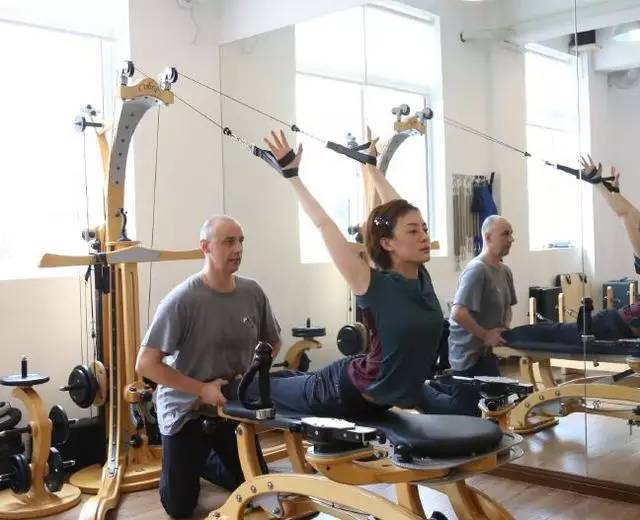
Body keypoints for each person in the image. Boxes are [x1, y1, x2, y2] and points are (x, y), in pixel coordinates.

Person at [243, 129, 479, 417]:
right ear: (387, 243)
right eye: (413, 231)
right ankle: (222, 384)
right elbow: (324, 224)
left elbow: (399, 210)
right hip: (341, 392)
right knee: (255, 388)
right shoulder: (371, 284)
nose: (423, 236)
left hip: (388, 396)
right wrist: (292, 176)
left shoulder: (421, 278)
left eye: (425, 229)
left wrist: (371, 168)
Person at [135, 215, 280, 518]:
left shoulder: (252, 292)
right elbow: (146, 364)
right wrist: (201, 389)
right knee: (179, 507)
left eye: (241, 241)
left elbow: (272, 343)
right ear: (205, 247)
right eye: (229, 241)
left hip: (229, 405)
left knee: (257, 489)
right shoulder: (182, 300)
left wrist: (249, 376)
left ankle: (203, 461)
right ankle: (195, 460)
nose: (238, 248)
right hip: (185, 410)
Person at [449, 215, 517, 377]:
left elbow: (507, 308)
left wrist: (502, 333)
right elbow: (458, 313)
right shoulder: (477, 270)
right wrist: (486, 335)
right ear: (488, 237)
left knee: (497, 392)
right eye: (505, 234)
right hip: (468, 359)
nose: (511, 239)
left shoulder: (505, 271)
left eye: (511, 234)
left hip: (488, 355)